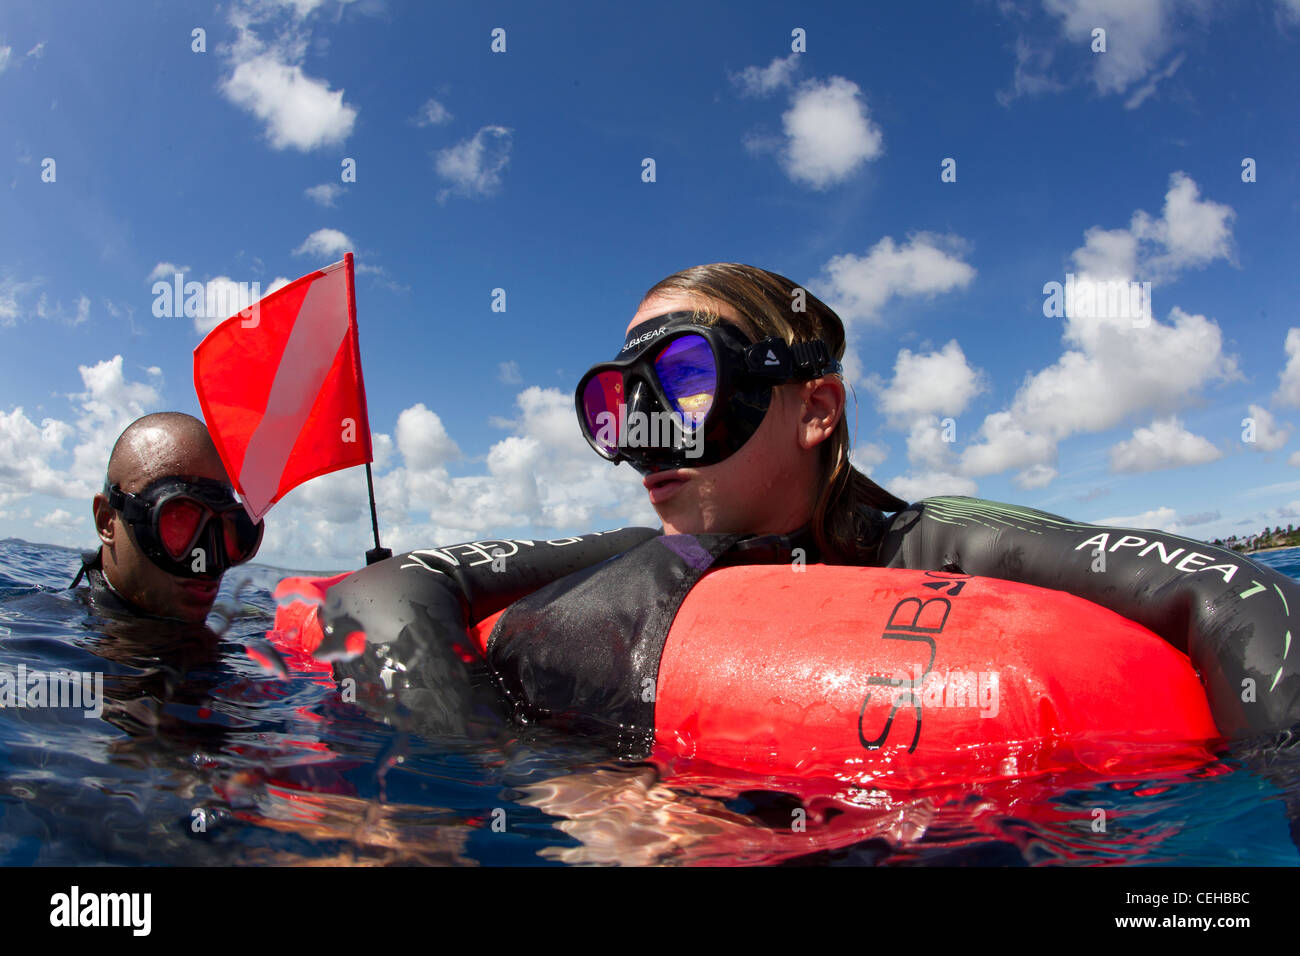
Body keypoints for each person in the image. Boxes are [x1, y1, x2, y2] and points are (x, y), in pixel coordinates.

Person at [304, 263, 1298, 750]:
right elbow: (390, 587)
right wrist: (490, 772)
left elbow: (1247, 600)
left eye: (683, 383)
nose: (644, 436)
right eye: (617, 407)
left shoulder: (931, 538)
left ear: (814, 407)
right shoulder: (636, 551)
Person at [70, 412, 263, 623]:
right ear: (106, 521)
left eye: (229, 529)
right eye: (181, 520)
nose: (208, 562)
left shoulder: (249, 624)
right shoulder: (43, 639)